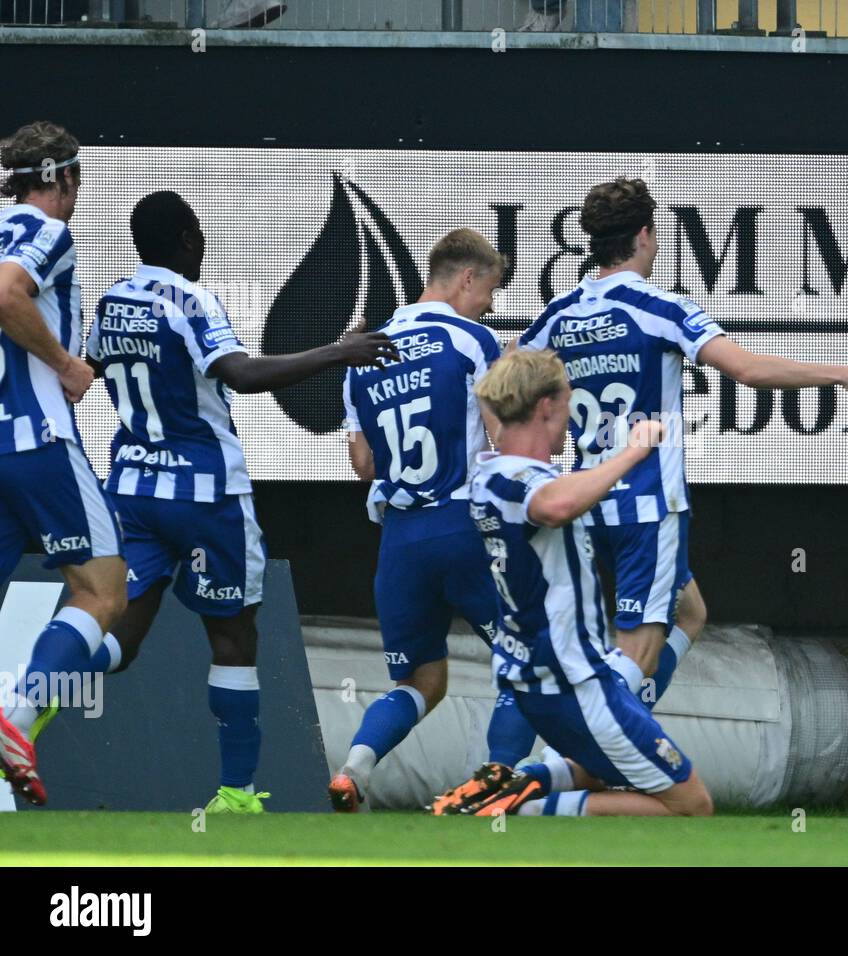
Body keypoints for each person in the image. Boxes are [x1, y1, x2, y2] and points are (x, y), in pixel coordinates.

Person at [517, 177, 848, 715]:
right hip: (648, 504)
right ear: (646, 236)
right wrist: (840, 374)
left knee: (690, 611)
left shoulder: (559, 314)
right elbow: (747, 369)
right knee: (638, 649)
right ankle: (577, 756)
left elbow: (505, 377)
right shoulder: (661, 307)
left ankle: (627, 735)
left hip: (585, 503)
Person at [85, 190, 396, 814]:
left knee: (117, 641)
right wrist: (341, 350)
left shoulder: (112, 299)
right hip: (206, 496)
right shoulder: (191, 299)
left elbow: (92, 364)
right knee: (232, 638)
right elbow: (244, 375)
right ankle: (236, 791)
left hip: (134, 491)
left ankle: (26, 701)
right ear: (188, 240)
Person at [439, 348, 711, 817]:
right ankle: (512, 812)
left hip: (552, 681)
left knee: (597, 764)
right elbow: (553, 506)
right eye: (567, 401)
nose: (573, 416)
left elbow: (557, 499)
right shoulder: (511, 477)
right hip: (575, 685)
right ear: (545, 405)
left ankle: (521, 783)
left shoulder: (494, 475)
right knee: (692, 805)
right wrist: (634, 451)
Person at [330, 228, 537, 812]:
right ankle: (495, 790)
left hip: (400, 541)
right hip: (464, 527)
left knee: (421, 681)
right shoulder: (472, 341)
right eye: (490, 290)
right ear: (466, 277)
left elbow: (364, 465)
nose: (491, 305)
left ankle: (354, 768)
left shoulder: (363, 355)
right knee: (524, 660)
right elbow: (503, 445)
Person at [0, 121, 124, 806]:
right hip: (39, 440)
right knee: (104, 590)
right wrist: (67, 364)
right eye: (78, 180)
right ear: (61, 178)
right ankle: (17, 719)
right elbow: (6, 294)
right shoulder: (44, 231)